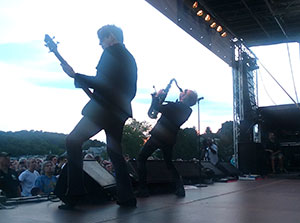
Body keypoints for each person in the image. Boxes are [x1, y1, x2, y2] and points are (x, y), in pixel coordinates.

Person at [59, 24, 137, 209]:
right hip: (120, 111)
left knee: (73, 141)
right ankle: (127, 198)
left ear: (110, 37)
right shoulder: (130, 58)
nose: (100, 44)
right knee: (115, 153)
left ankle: (75, 194)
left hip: (104, 109)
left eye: (102, 39)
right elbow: (129, 90)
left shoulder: (110, 53)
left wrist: (75, 75)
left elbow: (102, 83)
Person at [137, 89, 198, 197]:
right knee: (169, 163)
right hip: (170, 138)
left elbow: (157, 108)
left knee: (141, 158)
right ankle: (179, 188)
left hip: (159, 135)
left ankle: (143, 189)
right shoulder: (187, 110)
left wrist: (156, 97)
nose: (182, 92)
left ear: (184, 97)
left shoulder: (176, 106)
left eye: (184, 92)